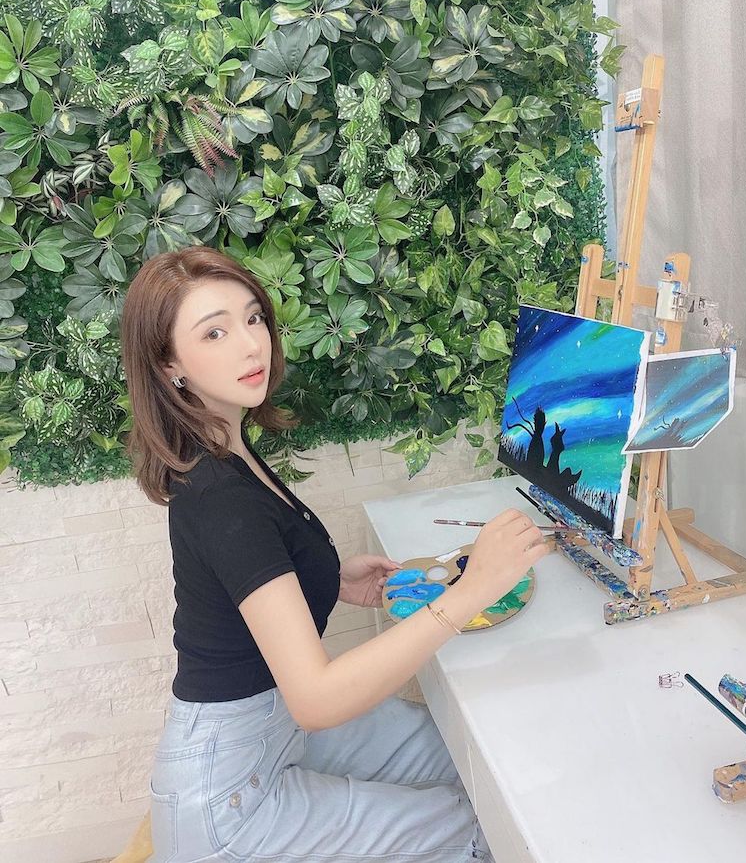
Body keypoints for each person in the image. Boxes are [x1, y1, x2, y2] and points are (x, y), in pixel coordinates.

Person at [120, 245, 548, 863]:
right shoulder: (221, 498)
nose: (251, 344)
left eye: (252, 318)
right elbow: (317, 700)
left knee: (477, 761)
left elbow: (243, 579)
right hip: (229, 802)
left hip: (272, 731)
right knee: (482, 829)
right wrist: (474, 589)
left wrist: (327, 578)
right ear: (168, 366)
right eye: (214, 332)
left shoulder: (225, 445)